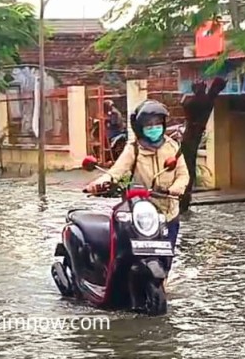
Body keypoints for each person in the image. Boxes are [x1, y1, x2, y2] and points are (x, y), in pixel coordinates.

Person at [84, 100, 189, 266]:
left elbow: (183, 175)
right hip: (141, 212)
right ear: (140, 127)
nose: (154, 127)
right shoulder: (133, 148)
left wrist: (175, 189)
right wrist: (98, 184)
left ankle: (163, 283)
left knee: (166, 258)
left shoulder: (172, 147)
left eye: (157, 123)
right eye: (149, 124)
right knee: (128, 254)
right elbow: (116, 172)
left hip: (168, 211)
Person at [178, 76, 227, 212]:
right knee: (189, 167)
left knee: (187, 167)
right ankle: (185, 197)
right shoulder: (209, 101)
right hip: (193, 136)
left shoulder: (200, 102)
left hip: (190, 137)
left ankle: (184, 197)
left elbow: (189, 105)